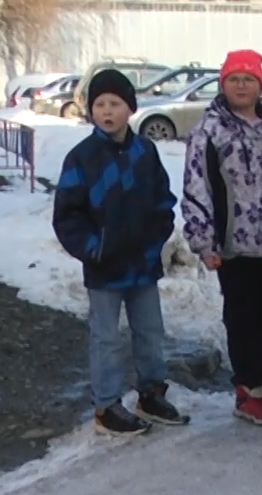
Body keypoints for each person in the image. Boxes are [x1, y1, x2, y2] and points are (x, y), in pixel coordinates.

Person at [52, 69, 189, 436]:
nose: (107, 111)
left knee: (150, 331)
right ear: (91, 111)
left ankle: (151, 393)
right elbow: (67, 216)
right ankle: (107, 404)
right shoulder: (82, 158)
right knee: (107, 338)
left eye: (115, 103)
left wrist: (157, 235)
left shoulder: (146, 152)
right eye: (99, 104)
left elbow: (162, 199)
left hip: (142, 263)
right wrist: (93, 248)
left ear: (130, 108)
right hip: (105, 267)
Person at [181, 49, 262, 427]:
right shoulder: (209, 130)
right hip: (233, 242)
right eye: (234, 78)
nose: (242, 85)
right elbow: (196, 186)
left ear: (261, 84)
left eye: (249, 78)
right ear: (223, 83)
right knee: (244, 318)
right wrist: (204, 240)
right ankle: (248, 391)